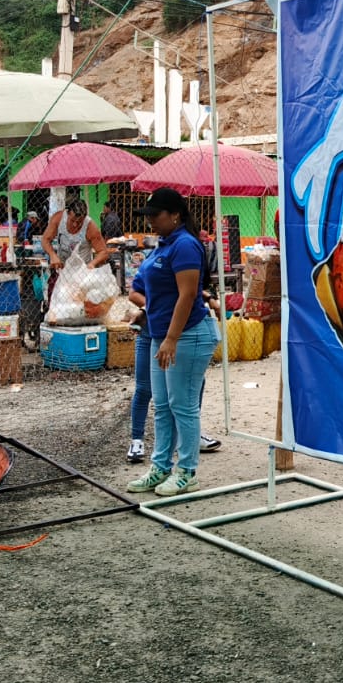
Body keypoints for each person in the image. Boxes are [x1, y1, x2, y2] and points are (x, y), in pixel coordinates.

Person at [126, 187, 219, 497]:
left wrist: (172, 338)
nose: (150, 221)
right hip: (162, 335)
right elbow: (148, 290)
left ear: (175, 215)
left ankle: (187, 471)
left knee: (183, 405)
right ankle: (161, 466)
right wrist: (148, 314)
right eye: (148, 215)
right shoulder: (163, 245)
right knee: (163, 405)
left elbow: (188, 294)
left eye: (156, 215)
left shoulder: (185, 245)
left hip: (186, 335)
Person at [42, 196, 112, 277]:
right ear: (67, 213)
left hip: (82, 273)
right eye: (72, 220)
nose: (75, 224)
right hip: (62, 269)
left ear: (84, 217)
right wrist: (52, 255)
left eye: (79, 222)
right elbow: (45, 240)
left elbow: (103, 252)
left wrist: (92, 264)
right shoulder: (58, 218)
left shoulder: (90, 227)